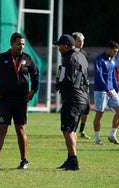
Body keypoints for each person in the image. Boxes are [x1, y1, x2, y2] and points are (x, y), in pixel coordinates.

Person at [0, 32, 39, 170]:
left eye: (23, 44)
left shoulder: (28, 59)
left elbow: (35, 75)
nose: (21, 46)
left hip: (21, 100)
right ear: (11, 43)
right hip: (5, 100)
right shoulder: (1, 58)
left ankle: (24, 160)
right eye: (18, 44)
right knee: (2, 129)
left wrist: (33, 91)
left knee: (20, 129)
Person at [54, 34, 89, 171]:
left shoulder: (70, 58)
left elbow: (69, 80)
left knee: (67, 130)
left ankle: (74, 161)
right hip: (82, 98)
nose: (58, 48)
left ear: (66, 46)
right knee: (72, 130)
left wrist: (59, 85)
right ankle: (69, 159)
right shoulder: (81, 56)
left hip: (73, 98)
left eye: (60, 45)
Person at [93, 40, 119, 145]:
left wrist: (116, 89)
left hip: (112, 90)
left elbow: (113, 75)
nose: (115, 54)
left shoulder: (113, 59)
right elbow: (99, 76)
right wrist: (106, 89)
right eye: (114, 51)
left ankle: (112, 135)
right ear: (108, 49)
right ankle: (97, 139)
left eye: (116, 52)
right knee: (99, 114)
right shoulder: (99, 59)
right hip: (101, 90)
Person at [72, 32, 91, 139]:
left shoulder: (83, 53)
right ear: (74, 41)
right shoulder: (70, 53)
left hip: (84, 85)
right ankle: (73, 129)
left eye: (82, 41)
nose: (81, 43)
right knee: (76, 108)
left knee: (86, 108)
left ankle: (81, 130)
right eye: (79, 40)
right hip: (75, 86)